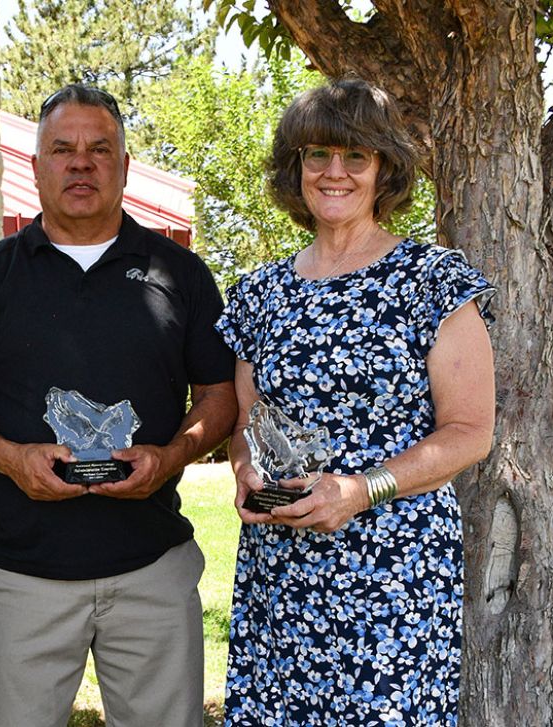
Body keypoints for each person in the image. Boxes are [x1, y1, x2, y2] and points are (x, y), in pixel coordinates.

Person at [0, 84, 237, 727]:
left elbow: (218, 395)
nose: (81, 162)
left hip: (152, 567)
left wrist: (173, 455)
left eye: (100, 149)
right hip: (23, 573)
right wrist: (12, 459)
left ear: (123, 166)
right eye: (62, 149)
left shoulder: (181, 274)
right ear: (37, 165)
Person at [215, 77, 496, 725]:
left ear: (384, 168)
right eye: (317, 154)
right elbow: (247, 424)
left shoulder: (431, 282)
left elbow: (470, 432)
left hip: (394, 580)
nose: (334, 171)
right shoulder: (259, 295)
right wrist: (244, 472)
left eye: (355, 156)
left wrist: (361, 489)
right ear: (296, 167)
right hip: (282, 578)